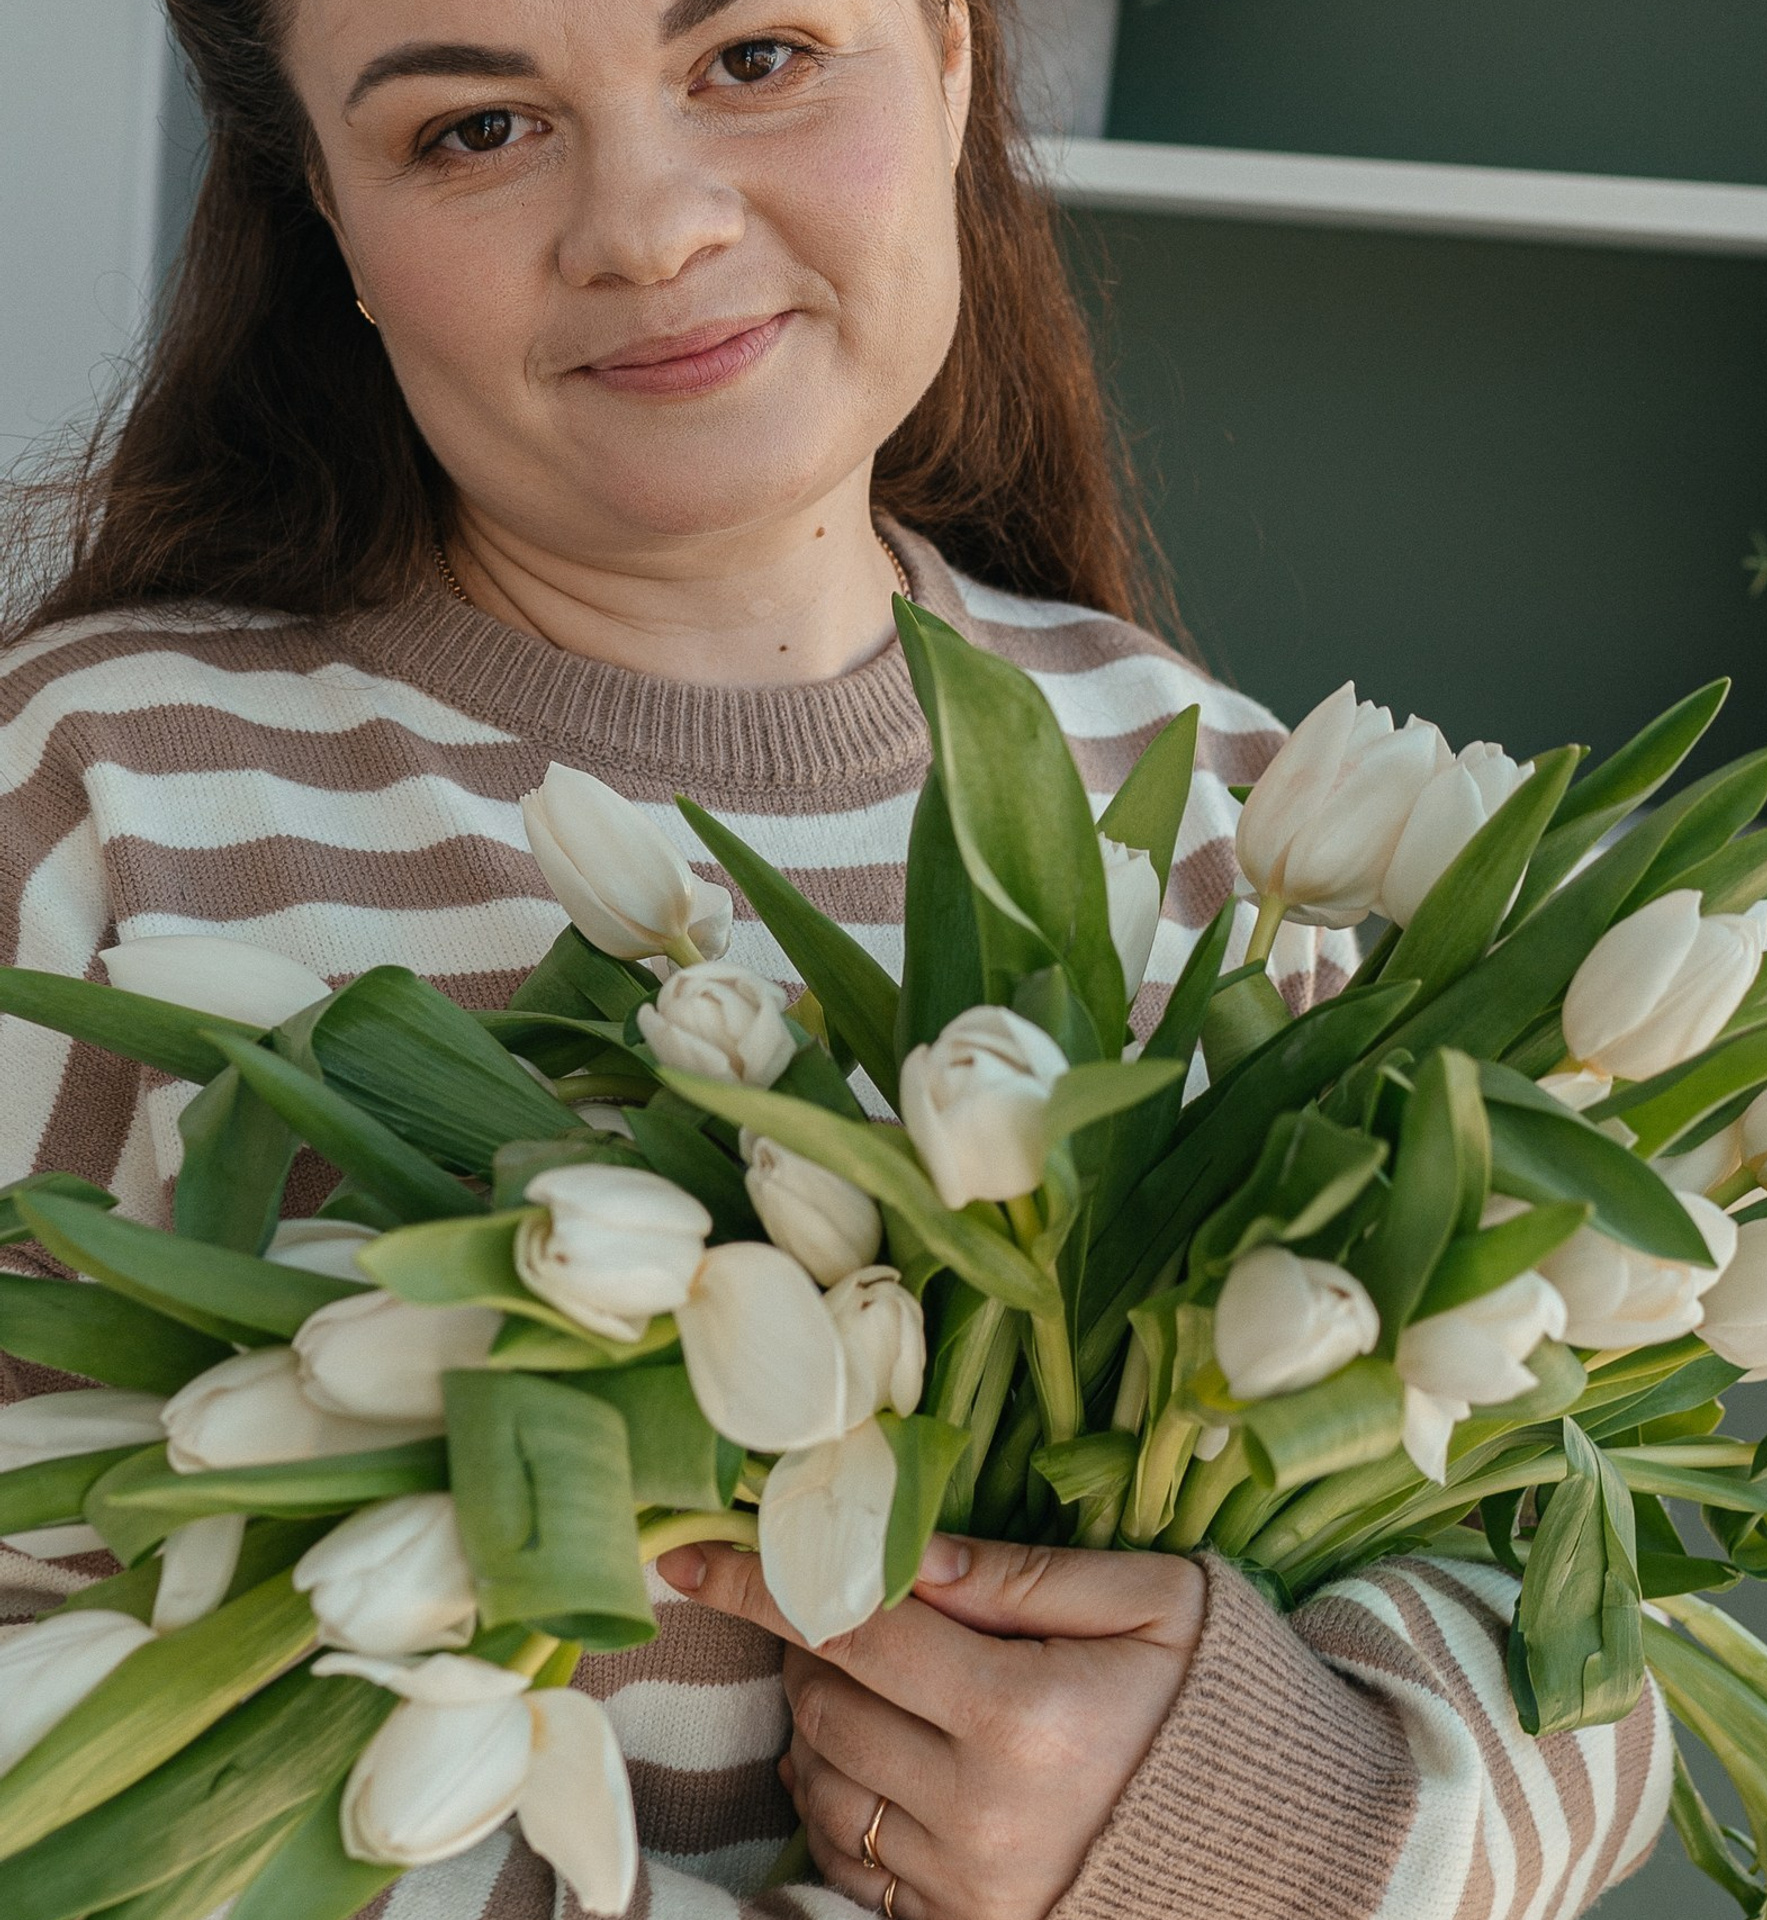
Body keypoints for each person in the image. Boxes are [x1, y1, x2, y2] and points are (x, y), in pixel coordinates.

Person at [0, 3, 1671, 1916]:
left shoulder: (1240, 807)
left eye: (755, 55)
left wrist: (1285, 1821)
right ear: (333, 225)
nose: (646, 224)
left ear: (958, 61)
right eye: (472, 130)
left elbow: (1571, 1589)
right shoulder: (96, 797)